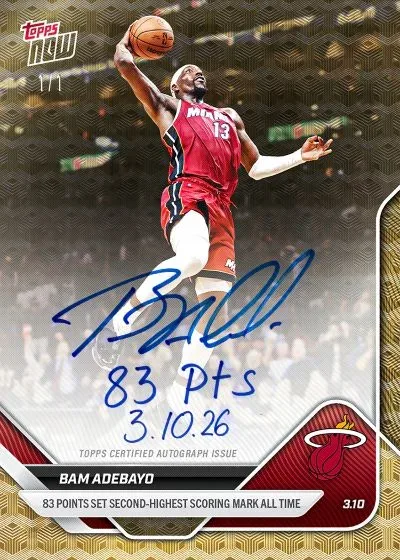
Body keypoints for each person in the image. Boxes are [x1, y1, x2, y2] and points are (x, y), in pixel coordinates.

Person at [92, 26, 333, 396]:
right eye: (187, 71)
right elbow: (125, 64)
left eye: (199, 70)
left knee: (214, 314)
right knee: (192, 256)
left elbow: (256, 167)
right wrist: (128, 38)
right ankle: (121, 321)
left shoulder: (229, 118)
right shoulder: (170, 108)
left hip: (221, 207)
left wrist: (300, 156)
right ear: (175, 86)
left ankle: (179, 393)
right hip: (188, 191)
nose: (196, 72)